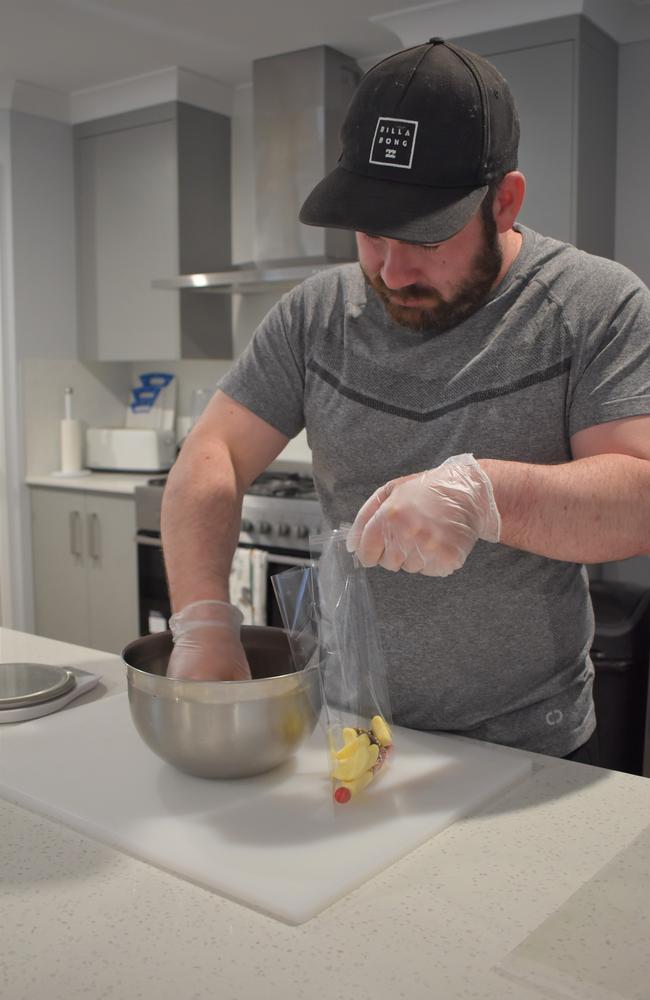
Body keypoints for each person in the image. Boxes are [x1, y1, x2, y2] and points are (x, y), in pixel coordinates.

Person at [161, 38, 650, 764]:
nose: (392, 269)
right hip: (353, 730)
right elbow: (214, 451)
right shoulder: (314, 314)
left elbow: (639, 498)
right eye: (370, 232)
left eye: (426, 235)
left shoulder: (594, 304)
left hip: (529, 745)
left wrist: (486, 494)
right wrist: (201, 619)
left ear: (505, 202)